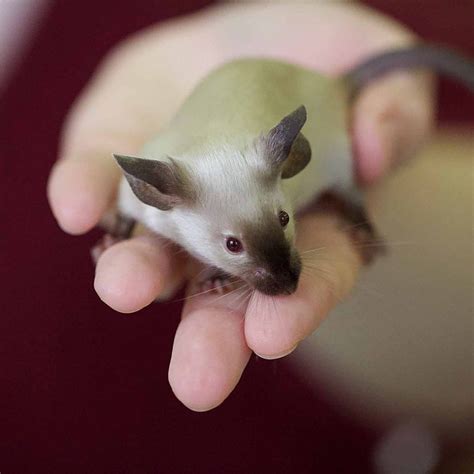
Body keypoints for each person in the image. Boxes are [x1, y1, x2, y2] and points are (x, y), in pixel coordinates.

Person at [47, 2, 434, 412]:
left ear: (289, 160)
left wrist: (347, 204)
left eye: (283, 219)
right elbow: (129, 201)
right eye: (233, 245)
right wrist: (121, 228)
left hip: (297, 92)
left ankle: (352, 207)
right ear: (160, 197)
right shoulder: (155, 194)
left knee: (343, 164)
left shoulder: (274, 165)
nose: (284, 277)